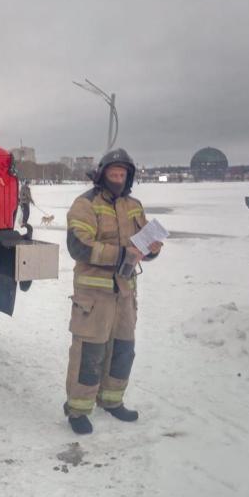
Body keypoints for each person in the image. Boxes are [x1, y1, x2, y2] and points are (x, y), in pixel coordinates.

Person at [64, 148, 163, 435]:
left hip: (125, 292)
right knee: (89, 352)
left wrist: (152, 249)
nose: (118, 179)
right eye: (113, 174)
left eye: (123, 174)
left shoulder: (134, 204)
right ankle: (78, 408)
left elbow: (143, 242)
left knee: (122, 349)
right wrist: (121, 253)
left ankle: (112, 400)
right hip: (94, 296)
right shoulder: (85, 204)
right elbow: (78, 246)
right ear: (102, 174)